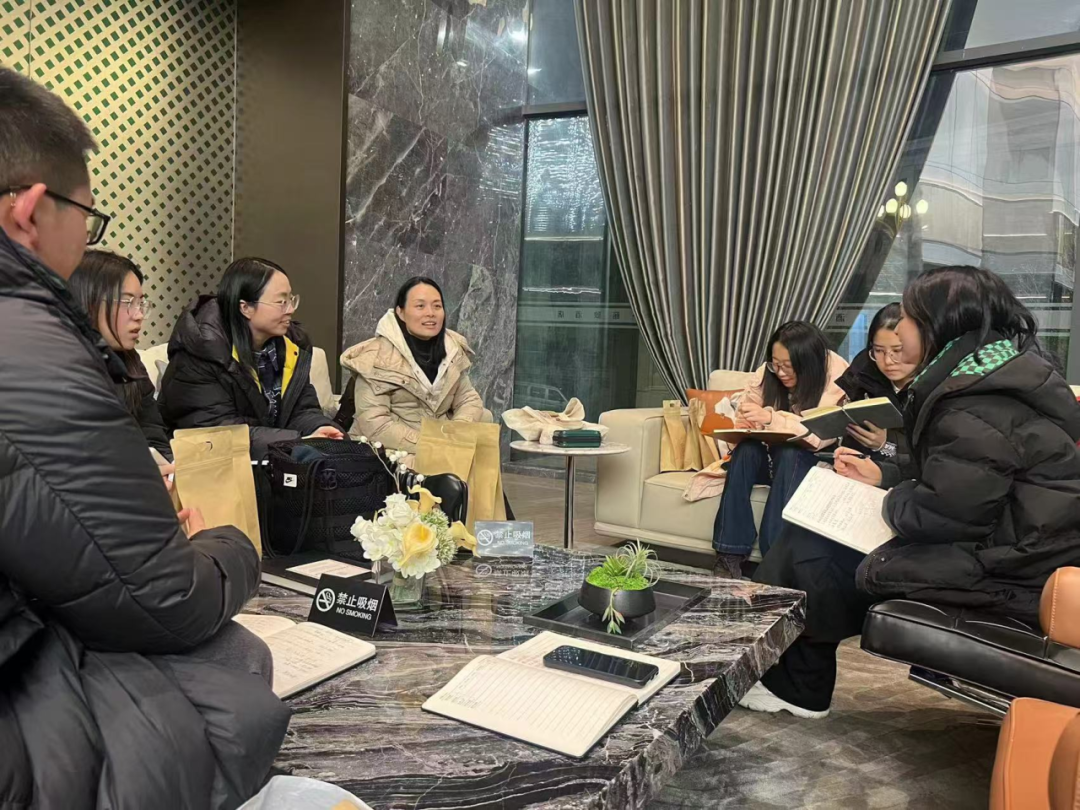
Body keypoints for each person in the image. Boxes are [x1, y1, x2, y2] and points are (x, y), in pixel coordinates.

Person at [0, 67, 288, 808]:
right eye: (87, 217)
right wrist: (235, 547)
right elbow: (164, 598)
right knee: (239, 666)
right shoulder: (31, 350)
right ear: (30, 213)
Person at [741, 266, 1080, 719]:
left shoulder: (977, 402)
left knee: (810, 553)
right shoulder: (994, 376)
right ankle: (792, 680)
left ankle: (796, 687)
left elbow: (946, 513)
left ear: (938, 324)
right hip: (1018, 550)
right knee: (809, 544)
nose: (898, 328)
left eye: (908, 316)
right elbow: (962, 479)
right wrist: (883, 477)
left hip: (1008, 569)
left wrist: (889, 501)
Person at [159, 256, 344, 458]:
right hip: (205, 465)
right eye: (282, 302)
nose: (290, 309)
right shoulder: (200, 351)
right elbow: (218, 432)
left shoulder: (291, 346)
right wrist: (298, 442)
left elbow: (302, 411)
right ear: (245, 307)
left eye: (291, 300)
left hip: (269, 462)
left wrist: (321, 429)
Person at [712, 321, 849, 578]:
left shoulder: (836, 375)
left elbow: (820, 434)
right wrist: (746, 422)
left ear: (808, 362)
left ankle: (774, 559)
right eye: (776, 364)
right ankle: (728, 554)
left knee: (790, 453)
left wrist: (771, 418)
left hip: (809, 461)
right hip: (769, 457)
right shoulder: (768, 373)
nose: (781, 372)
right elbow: (747, 411)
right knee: (746, 450)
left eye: (788, 366)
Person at [340, 275, 485, 452]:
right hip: (390, 450)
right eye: (420, 306)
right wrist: (432, 445)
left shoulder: (452, 350)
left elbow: (468, 399)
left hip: (442, 445)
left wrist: (456, 432)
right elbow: (376, 424)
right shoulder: (375, 357)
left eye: (437, 306)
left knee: (481, 437)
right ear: (400, 312)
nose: (431, 313)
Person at [68, 249, 173, 459]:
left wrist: (163, 466)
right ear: (88, 304)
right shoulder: (49, 366)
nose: (139, 315)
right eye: (127, 303)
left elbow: (154, 438)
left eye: (141, 303)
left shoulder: (131, 363)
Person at [836, 302, 918, 466]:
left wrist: (886, 443)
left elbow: (938, 451)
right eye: (879, 351)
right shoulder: (863, 373)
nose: (888, 361)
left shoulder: (937, 384)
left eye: (897, 350)